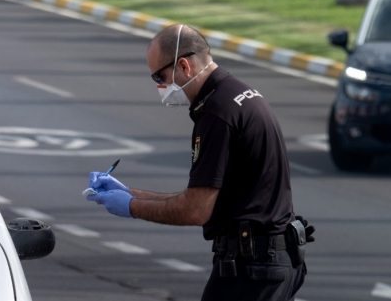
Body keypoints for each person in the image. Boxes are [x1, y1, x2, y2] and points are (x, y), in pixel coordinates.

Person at [85, 25, 313, 301]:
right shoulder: (237, 93)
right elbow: (205, 197)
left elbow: (196, 210)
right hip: (273, 260)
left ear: (184, 66)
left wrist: (131, 207)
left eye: (160, 76)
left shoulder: (217, 113)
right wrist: (130, 192)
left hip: (254, 268)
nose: (159, 86)